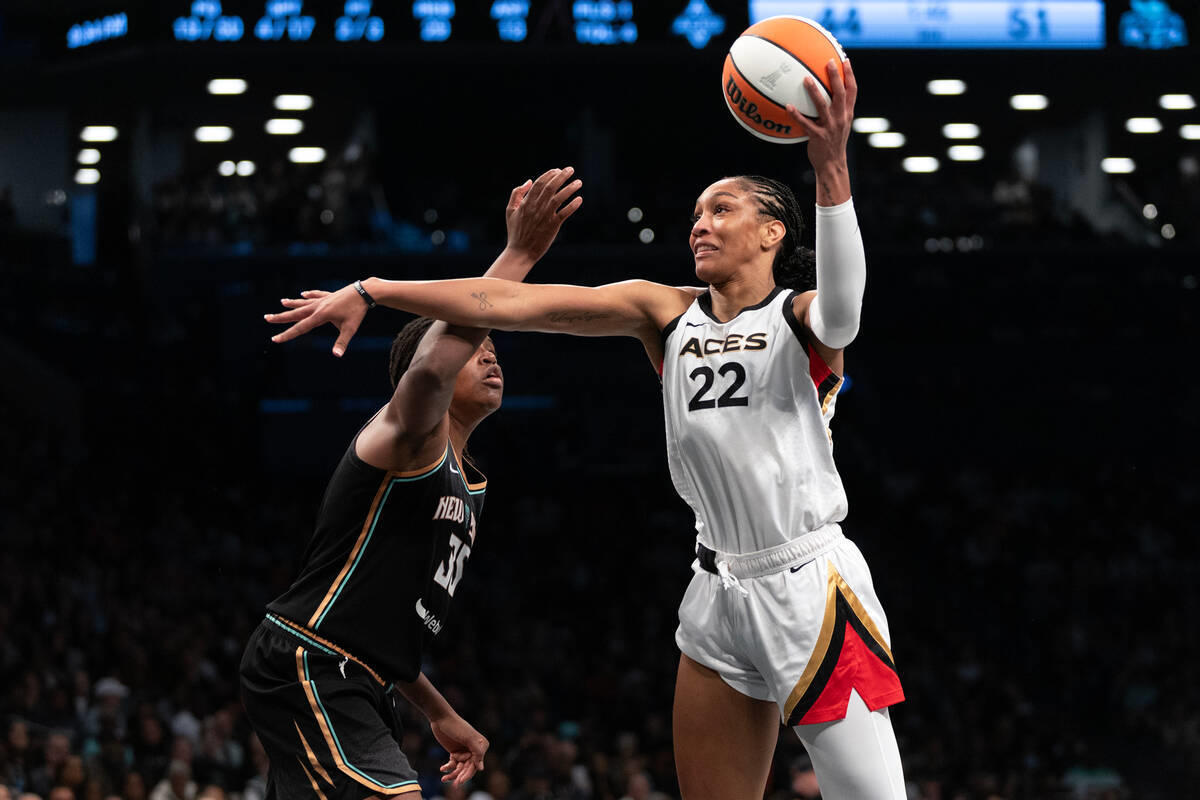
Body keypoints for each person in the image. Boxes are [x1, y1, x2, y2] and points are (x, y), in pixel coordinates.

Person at [266, 59, 907, 799]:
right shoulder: (662, 311)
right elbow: (505, 305)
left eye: (722, 210)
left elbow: (846, 309)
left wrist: (831, 169)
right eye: (696, 214)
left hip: (806, 579)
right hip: (715, 584)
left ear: (772, 232)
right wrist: (373, 289)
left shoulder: (800, 317)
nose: (700, 224)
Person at [244, 167, 583, 799]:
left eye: (493, 345)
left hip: (362, 674)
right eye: (475, 345)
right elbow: (431, 369)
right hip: (312, 657)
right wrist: (518, 254)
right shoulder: (406, 435)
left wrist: (438, 711)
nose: (490, 352)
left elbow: (382, 626)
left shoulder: (467, 481)